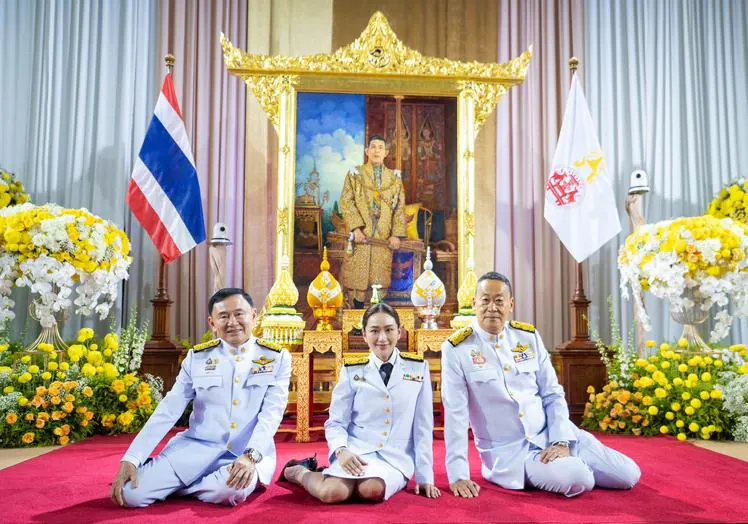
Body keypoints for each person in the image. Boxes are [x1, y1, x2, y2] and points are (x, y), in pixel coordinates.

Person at [441, 272, 640, 499]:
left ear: (511, 304)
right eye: (485, 300)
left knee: (628, 474)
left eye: (499, 300)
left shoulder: (527, 337)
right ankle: (571, 466)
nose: (492, 307)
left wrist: (561, 440)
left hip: (554, 435)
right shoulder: (457, 348)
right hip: (513, 453)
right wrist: (458, 474)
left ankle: (573, 457)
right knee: (579, 478)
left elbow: (552, 394)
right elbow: (455, 415)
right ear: (475, 303)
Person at [110, 288, 291, 507]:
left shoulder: (275, 357)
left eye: (239, 314)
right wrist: (132, 458)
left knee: (229, 491)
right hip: (196, 448)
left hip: (243, 454)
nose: (233, 322)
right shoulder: (197, 358)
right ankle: (187, 482)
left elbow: (271, 414)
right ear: (212, 323)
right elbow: (169, 409)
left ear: (254, 316)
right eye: (223, 316)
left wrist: (251, 456)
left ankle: (180, 485)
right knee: (130, 495)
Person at [281, 302, 440, 503]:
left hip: (395, 456)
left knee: (371, 490)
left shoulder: (417, 368)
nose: (382, 338)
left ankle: (337, 476)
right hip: (355, 450)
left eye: (389, 330)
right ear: (364, 334)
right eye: (374, 331)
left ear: (399, 332)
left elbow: (423, 427)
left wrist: (425, 476)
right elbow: (336, 422)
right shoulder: (352, 370)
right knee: (332, 493)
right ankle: (299, 472)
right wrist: (342, 450)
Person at [339, 134, 406, 308]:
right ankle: (355, 322)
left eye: (380, 147)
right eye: (373, 147)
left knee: (378, 282)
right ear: (367, 151)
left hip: (382, 239)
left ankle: (374, 321)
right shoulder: (355, 174)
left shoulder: (394, 179)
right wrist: (356, 229)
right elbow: (347, 201)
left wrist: (396, 235)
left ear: (386, 153)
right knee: (357, 281)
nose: (377, 150)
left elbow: (399, 208)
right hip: (361, 237)